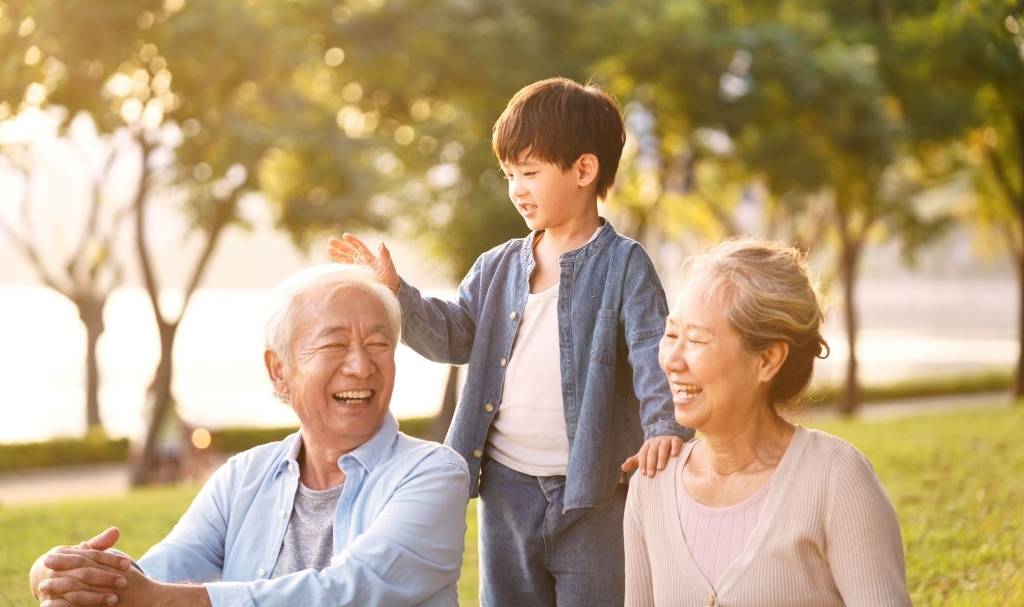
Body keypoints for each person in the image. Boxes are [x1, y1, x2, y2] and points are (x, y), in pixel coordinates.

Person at [329, 77, 691, 607]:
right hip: (505, 489)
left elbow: (651, 349)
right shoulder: (497, 266)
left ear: (584, 170)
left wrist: (664, 427)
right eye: (509, 175)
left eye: (529, 173)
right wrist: (396, 293)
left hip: (591, 494)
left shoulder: (624, 265)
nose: (516, 188)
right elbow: (453, 336)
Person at [29, 264, 470, 607]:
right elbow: (157, 570)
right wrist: (61, 573)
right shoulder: (244, 476)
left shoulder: (434, 472)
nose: (360, 365)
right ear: (280, 371)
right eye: (334, 345)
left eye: (378, 345)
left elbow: (350, 591)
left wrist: (162, 598)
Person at [624, 239, 912, 606]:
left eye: (696, 339)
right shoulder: (652, 483)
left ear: (768, 359)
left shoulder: (836, 478)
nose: (672, 360)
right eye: (671, 335)